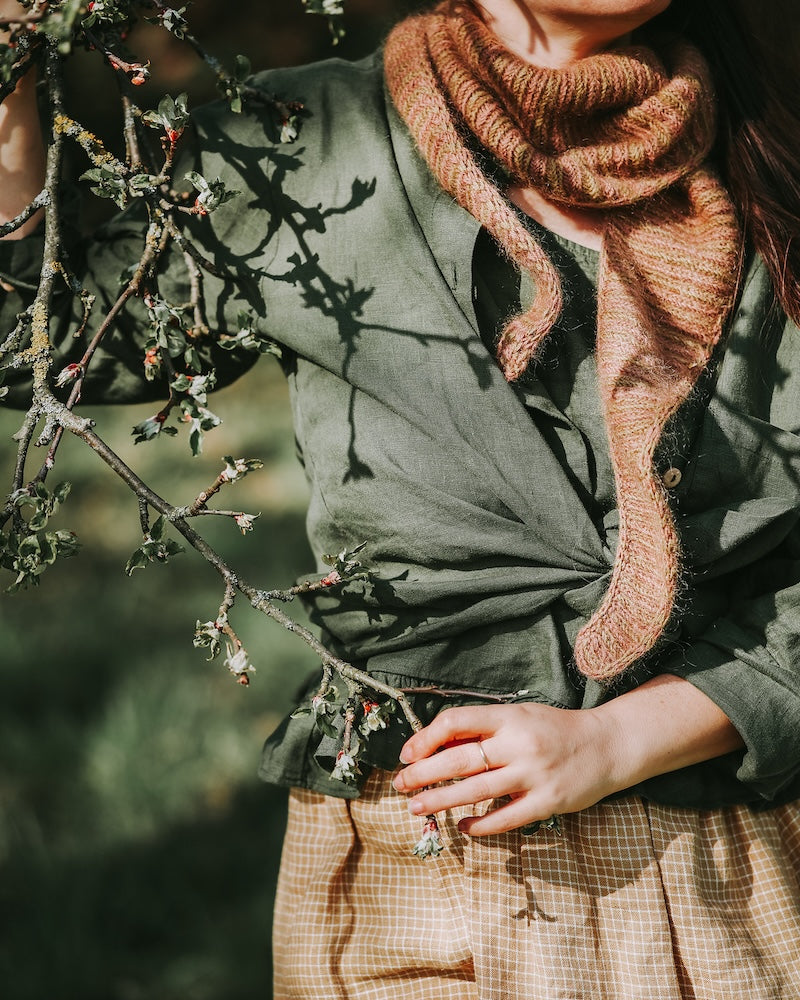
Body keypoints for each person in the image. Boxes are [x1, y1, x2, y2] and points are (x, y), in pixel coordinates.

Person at [3, 0, 800, 996]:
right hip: (413, 865)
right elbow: (42, 336)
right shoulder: (295, 152)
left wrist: (613, 740)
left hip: (722, 871)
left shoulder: (773, 154)